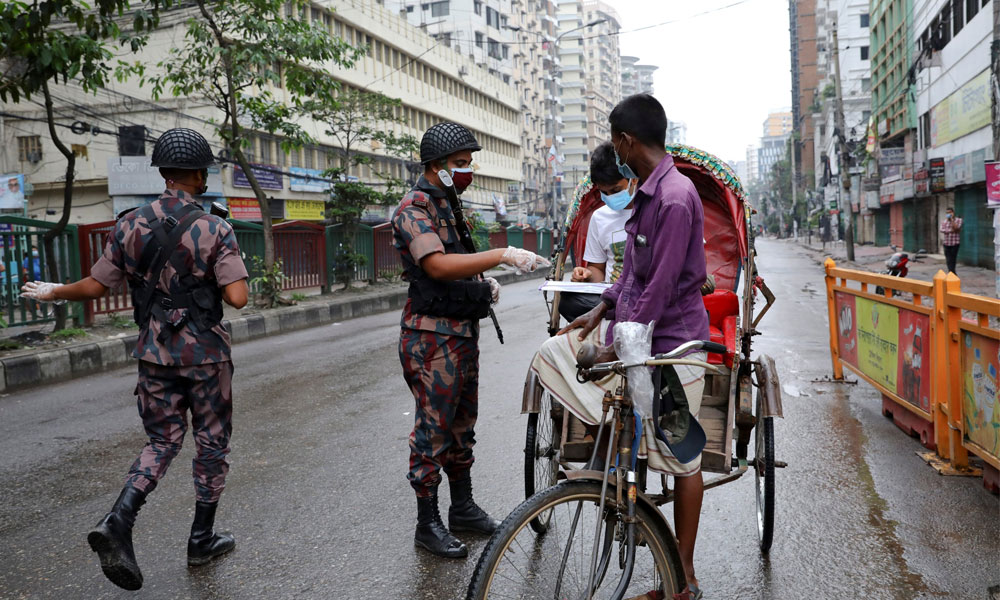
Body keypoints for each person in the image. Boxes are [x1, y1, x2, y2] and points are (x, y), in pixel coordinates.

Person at [21, 128, 249, 591]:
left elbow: (95, 285)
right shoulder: (215, 227)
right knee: (211, 444)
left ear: (163, 172)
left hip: (153, 355)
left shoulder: (128, 224)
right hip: (205, 357)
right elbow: (239, 297)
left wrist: (53, 291)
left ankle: (118, 520)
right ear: (196, 173)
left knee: (162, 442)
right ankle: (200, 539)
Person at [530, 94, 710, 600]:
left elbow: (661, 288)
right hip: (634, 339)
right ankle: (615, 478)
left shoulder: (674, 197)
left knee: (681, 460)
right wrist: (600, 310)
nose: (616, 150)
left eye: (615, 141)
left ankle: (685, 577)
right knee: (555, 353)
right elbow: (632, 274)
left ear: (627, 141)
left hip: (672, 348)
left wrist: (618, 346)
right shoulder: (646, 196)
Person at [392, 122, 550, 559]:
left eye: (468, 164)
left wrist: (483, 284)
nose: (468, 171)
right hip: (431, 339)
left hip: (459, 333)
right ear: (438, 166)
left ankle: (462, 508)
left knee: (462, 428)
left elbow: (459, 263)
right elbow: (439, 266)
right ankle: (428, 523)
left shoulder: (449, 204)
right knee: (433, 431)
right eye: (461, 164)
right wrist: (501, 254)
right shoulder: (414, 207)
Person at [557, 142, 637, 321]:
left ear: (633, 179)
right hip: (612, 298)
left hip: (645, 295)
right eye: (604, 192)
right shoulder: (599, 217)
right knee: (568, 302)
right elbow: (598, 268)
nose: (610, 197)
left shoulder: (656, 207)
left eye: (616, 190)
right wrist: (587, 275)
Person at [939, 207, 962, 274]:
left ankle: (952, 272)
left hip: (955, 243)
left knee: (953, 258)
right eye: (947, 213)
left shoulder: (958, 220)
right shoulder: (944, 222)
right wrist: (950, 231)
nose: (948, 214)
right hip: (946, 243)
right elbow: (941, 230)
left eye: (950, 212)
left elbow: (957, 228)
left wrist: (952, 220)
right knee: (948, 259)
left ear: (953, 213)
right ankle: (951, 272)